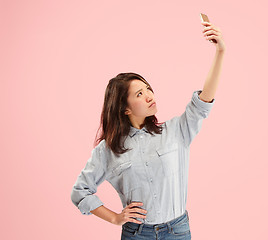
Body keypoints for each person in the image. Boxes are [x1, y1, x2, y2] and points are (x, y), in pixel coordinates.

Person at [70, 19, 225, 240]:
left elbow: (203, 102)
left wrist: (220, 51)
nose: (149, 95)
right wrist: (115, 218)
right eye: (139, 94)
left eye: (148, 88)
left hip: (177, 231)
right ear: (124, 109)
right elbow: (80, 191)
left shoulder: (175, 131)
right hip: (137, 234)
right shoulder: (108, 149)